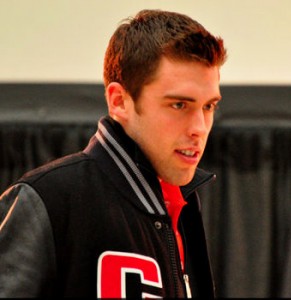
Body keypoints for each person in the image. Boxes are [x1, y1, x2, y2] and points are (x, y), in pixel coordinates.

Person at [0, 9, 227, 298]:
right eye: (179, 105)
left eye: (209, 106)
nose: (200, 128)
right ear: (119, 101)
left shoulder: (183, 206)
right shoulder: (47, 198)